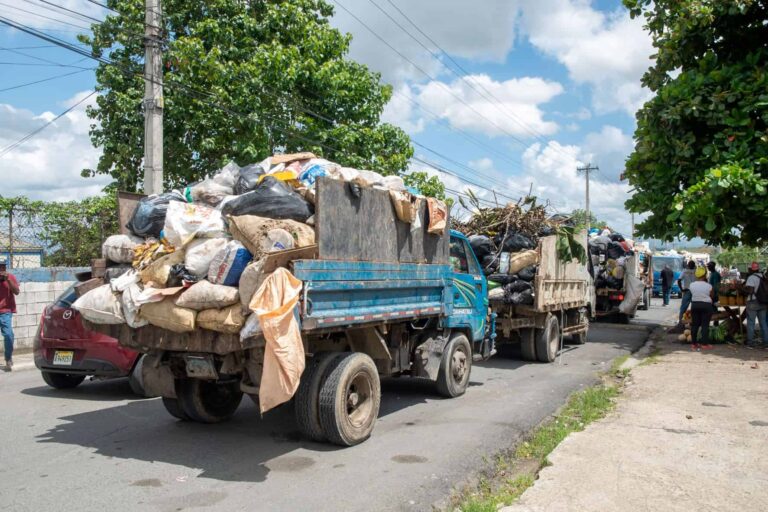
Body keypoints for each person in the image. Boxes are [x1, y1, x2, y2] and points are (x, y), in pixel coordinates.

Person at [0, 259, 20, 371]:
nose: (1, 269)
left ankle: (8, 358)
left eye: (3, 267)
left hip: (5, 311)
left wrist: (8, 280)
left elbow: (17, 291)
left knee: (8, 335)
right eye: (0, 267)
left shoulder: (10, 277)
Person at [689, 266, 714, 351]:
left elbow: (692, 294)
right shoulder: (709, 286)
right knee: (705, 325)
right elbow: (712, 296)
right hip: (706, 306)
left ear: (696, 275)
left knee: (695, 325)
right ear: (705, 275)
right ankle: (704, 344)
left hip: (695, 305)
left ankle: (693, 344)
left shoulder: (691, 285)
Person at [744, 261, 768, 348]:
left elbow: (750, 291)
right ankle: (766, 343)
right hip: (763, 302)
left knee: (751, 323)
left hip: (753, 302)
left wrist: (743, 289)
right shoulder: (763, 276)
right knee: (763, 323)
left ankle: (750, 343)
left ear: (751, 269)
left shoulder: (751, 278)